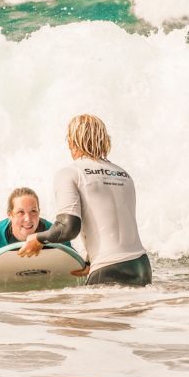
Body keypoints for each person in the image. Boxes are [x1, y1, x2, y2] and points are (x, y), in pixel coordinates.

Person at [18, 114, 152, 286]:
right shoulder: (123, 174)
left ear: (72, 142)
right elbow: (113, 221)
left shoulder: (70, 173)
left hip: (109, 268)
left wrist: (37, 238)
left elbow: (68, 228)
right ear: (104, 140)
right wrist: (89, 260)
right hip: (141, 266)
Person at [0, 187, 67, 277]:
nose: (28, 219)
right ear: (10, 215)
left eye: (33, 211)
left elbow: (73, 260)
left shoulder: (53, 233)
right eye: (20, 212)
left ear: (39, 212)